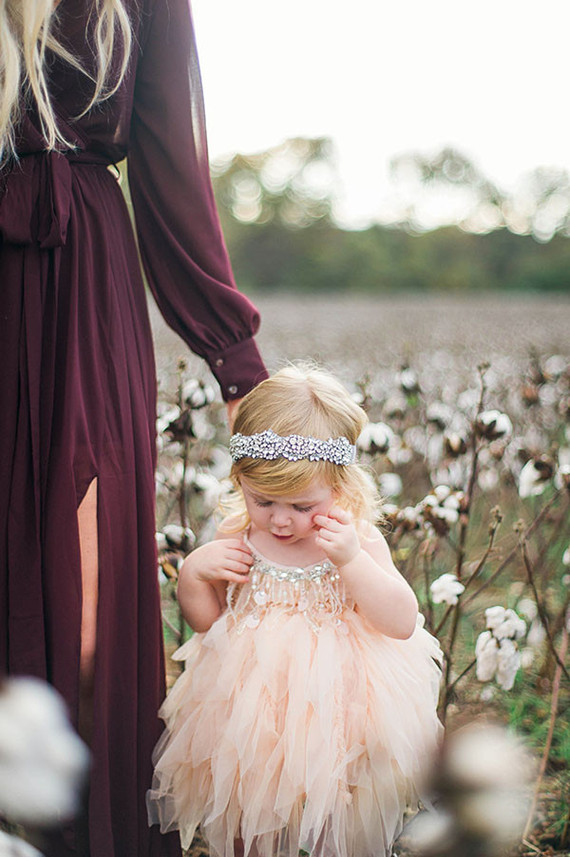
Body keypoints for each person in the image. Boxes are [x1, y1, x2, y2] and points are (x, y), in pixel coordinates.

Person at [0, 0, 267, 855]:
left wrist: (239, 365)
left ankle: (65, 827)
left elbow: (168, 165)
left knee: (84, 594)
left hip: (82, 284)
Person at [147, 365, 443, 857]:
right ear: (239, 479)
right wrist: (196, 574)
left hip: (344, 703)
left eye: (302, 506)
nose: (281, 520)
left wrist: (350, 560)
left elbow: (400, 621)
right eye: (263, 501)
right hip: (250, 704)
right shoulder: (237, 534)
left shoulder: (355, 539)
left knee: (342, 805)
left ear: (342, 488)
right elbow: (211, 624)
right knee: (247, 800)